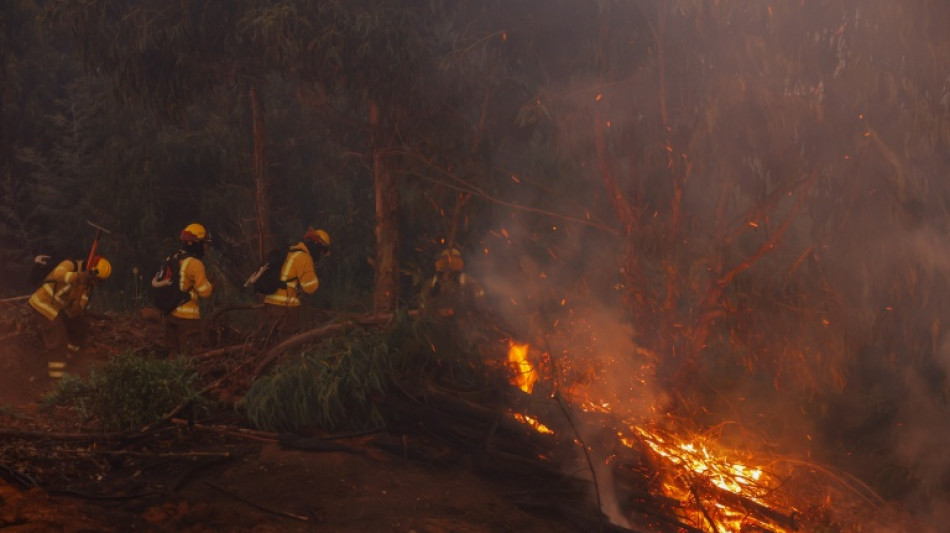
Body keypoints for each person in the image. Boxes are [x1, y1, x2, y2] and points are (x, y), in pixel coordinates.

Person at [29, 254, 111, 379]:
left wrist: (79, 308)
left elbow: (83, 297)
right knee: (58, 336)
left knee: (80, 329)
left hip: (60, 307)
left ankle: (68, 362)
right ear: (91, 270)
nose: (96, 282)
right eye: (97, 279)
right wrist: (78, 276)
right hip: (43, 303)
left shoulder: (88, 282)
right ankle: (56, 378)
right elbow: (58, 274)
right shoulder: (71, 264)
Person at [249, 227, 329, 340]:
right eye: (322, 251)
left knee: (267, 340)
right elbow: (310, 288)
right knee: (284, 343)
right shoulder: (304, 257)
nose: (320, 255)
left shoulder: (291, 250)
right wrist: (315, 277)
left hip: (269, 302)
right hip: (286, 307)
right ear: (317, 245)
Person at [157, 223, 214, 357]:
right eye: (204, 244)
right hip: (189, 320)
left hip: (170, 314)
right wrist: (210, 285)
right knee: (189, 357)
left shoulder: (172, 257)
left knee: (172, 355)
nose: (205, 248)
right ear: (196, 244)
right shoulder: (195, 263)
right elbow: (205, 292)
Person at [419, 247, 485, 318]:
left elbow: (479, 295)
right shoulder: (435, 280)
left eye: (453, 259)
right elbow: (423, 298)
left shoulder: (464, 279)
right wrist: (425, 310)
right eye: (446, 260)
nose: (449, 262)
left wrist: (476, 311)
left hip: (459, 318)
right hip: (437, 319)